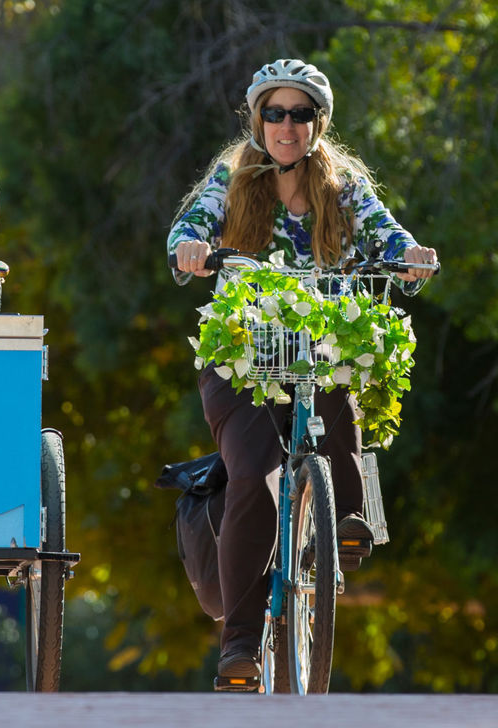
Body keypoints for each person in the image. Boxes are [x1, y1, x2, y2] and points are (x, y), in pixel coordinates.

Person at [166, 58, 439, 682]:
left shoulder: (341, 186)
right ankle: (238, 645)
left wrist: (411, 256)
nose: (287, 125)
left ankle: (345, 518)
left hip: (322, 346)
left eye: (302, 113)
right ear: (257, 119)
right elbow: (191, 225)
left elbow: (386, 235)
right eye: (275, 112)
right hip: (245, 351)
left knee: (343, 378)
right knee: (251, 473)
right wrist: (191, 247)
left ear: (320, 123)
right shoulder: (232, 177)